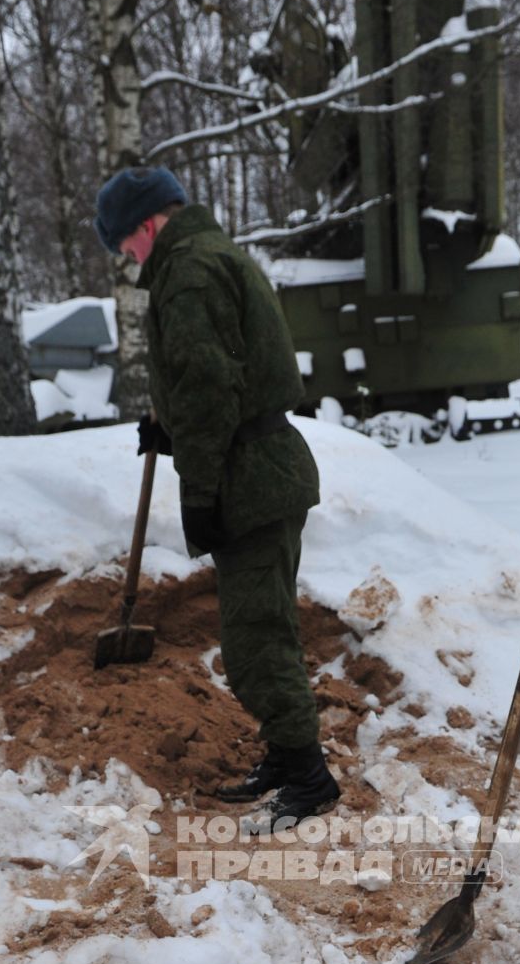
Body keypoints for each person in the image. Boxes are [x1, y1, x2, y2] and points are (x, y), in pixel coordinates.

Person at [93, 164, 340, 827]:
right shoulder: (206, 255)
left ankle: (309, 778)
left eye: (126, 245)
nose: (128, 258)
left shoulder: (189, 271)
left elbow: (208, 385)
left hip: (249, 475)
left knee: (256, 637)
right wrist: (167, 426)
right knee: (259, 628)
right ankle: (288, 759)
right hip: (259, 464)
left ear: (147, 223)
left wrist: (198, 487)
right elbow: (213, 380)